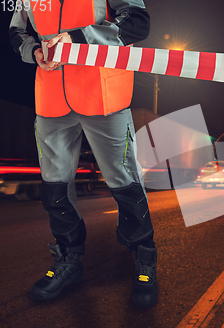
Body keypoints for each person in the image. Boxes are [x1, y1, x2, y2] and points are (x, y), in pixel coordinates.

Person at [9, 0, 158, 307]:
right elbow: (16, 32)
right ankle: (69, 260)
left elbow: (137, 23)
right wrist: (34, 53)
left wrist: (77, 40)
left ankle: (144, 259)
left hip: (104, 93)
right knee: (55, 188)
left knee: (125, 184)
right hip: (51, 98)